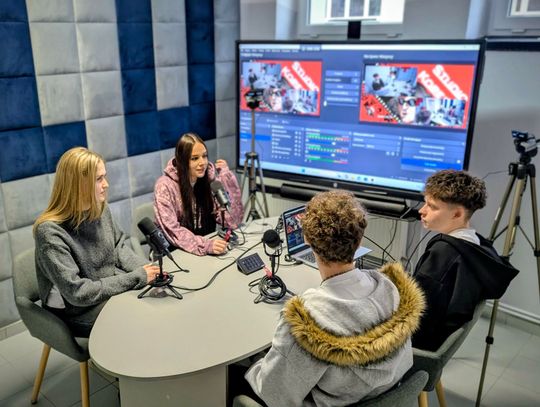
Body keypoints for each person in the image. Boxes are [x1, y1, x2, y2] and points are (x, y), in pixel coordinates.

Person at [243, 190, 425, 406]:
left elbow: (274, 394)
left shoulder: (306, 324)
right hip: (385, 394)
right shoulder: (392, 290)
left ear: (306, 239)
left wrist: (254, 365)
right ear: (360, 241)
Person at [33, 147, 159, 338]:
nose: (106, 184)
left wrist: (149, 270)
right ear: (78, 184)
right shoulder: (49, 232)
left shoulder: (100, 209)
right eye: (99, 179)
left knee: (154, 302)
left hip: (104, 292)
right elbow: (78, 292)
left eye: (104, 177)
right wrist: (137, 277)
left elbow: (119, 248)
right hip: (74, 312)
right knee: (139, 320)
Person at [412, 170, 519, 351]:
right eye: (425, 203)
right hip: (437, 338)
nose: (422, 211)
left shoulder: (443, 254)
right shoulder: (477, 244)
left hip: (416, 345)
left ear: (457, 214)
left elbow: (417, 312)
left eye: (432, 206)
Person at [154, 133, 243, 256]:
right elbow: (172, 230)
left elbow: (232, 222)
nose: (203, 163)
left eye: (204, 156)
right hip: (176, 253)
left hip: (206, 251)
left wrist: (226, 179)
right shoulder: (164, 187)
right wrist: (205, 245)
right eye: (195, 158)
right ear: (182, 161)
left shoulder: (209, 180)